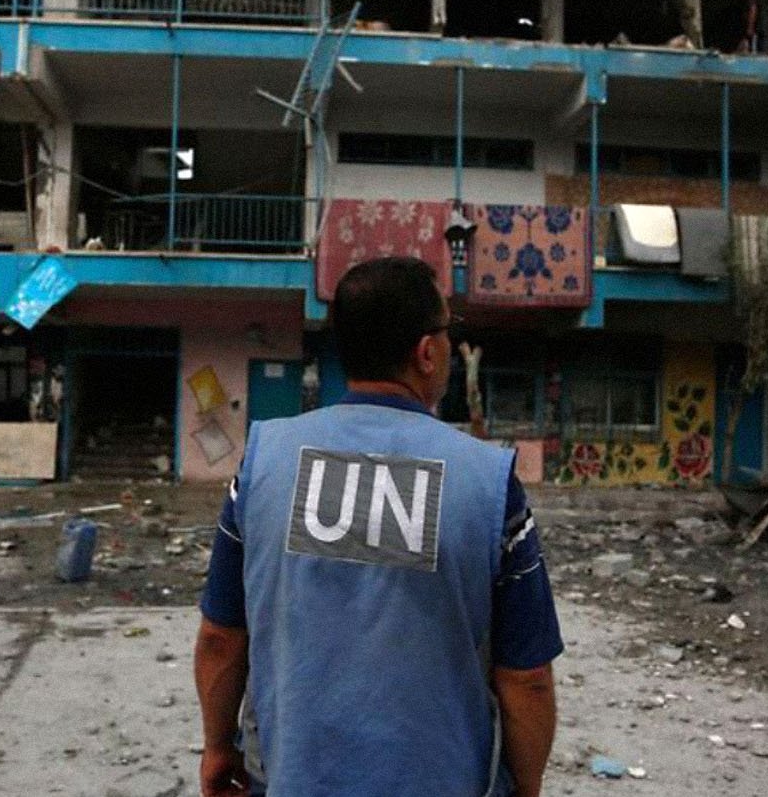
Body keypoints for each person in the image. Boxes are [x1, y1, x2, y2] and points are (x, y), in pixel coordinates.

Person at [193, 257, 562, 797]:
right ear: (427, 352)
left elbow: (221, 637)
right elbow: (527, 679)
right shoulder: (488, 482)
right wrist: (526, 788)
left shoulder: (263, 462)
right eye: (447, 329)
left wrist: (217, 745)